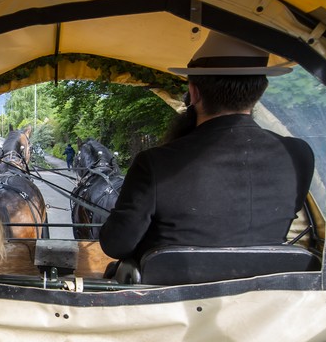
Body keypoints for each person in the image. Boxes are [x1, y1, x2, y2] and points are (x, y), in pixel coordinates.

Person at [99, 31, 315, 264]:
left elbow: (117, 245)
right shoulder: (299, 155)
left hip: (173, 296)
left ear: (194, 92)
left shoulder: (155, 163)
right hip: (264, 295)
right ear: (260, 91)